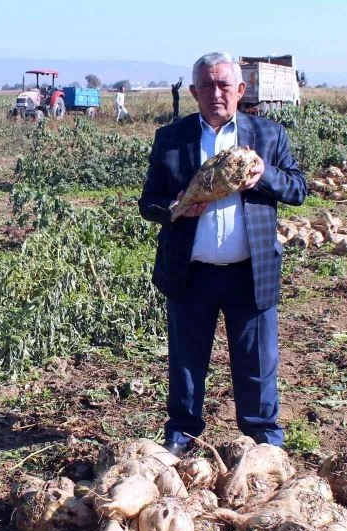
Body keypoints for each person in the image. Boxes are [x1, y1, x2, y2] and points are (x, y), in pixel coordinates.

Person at [138, 51, 306, 456]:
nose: (216, 93)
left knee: (257, 363)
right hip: (191, 272)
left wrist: (263, 175)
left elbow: (298, 189)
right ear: (194, 92)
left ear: (240, 89)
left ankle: (263, 442)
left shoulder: (268, 135)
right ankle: (182, 437)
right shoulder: (171, 138)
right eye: (207, 86)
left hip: (250, 272)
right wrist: (175, 206)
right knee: (186, 363)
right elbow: (148, 202)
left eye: (224, 85)